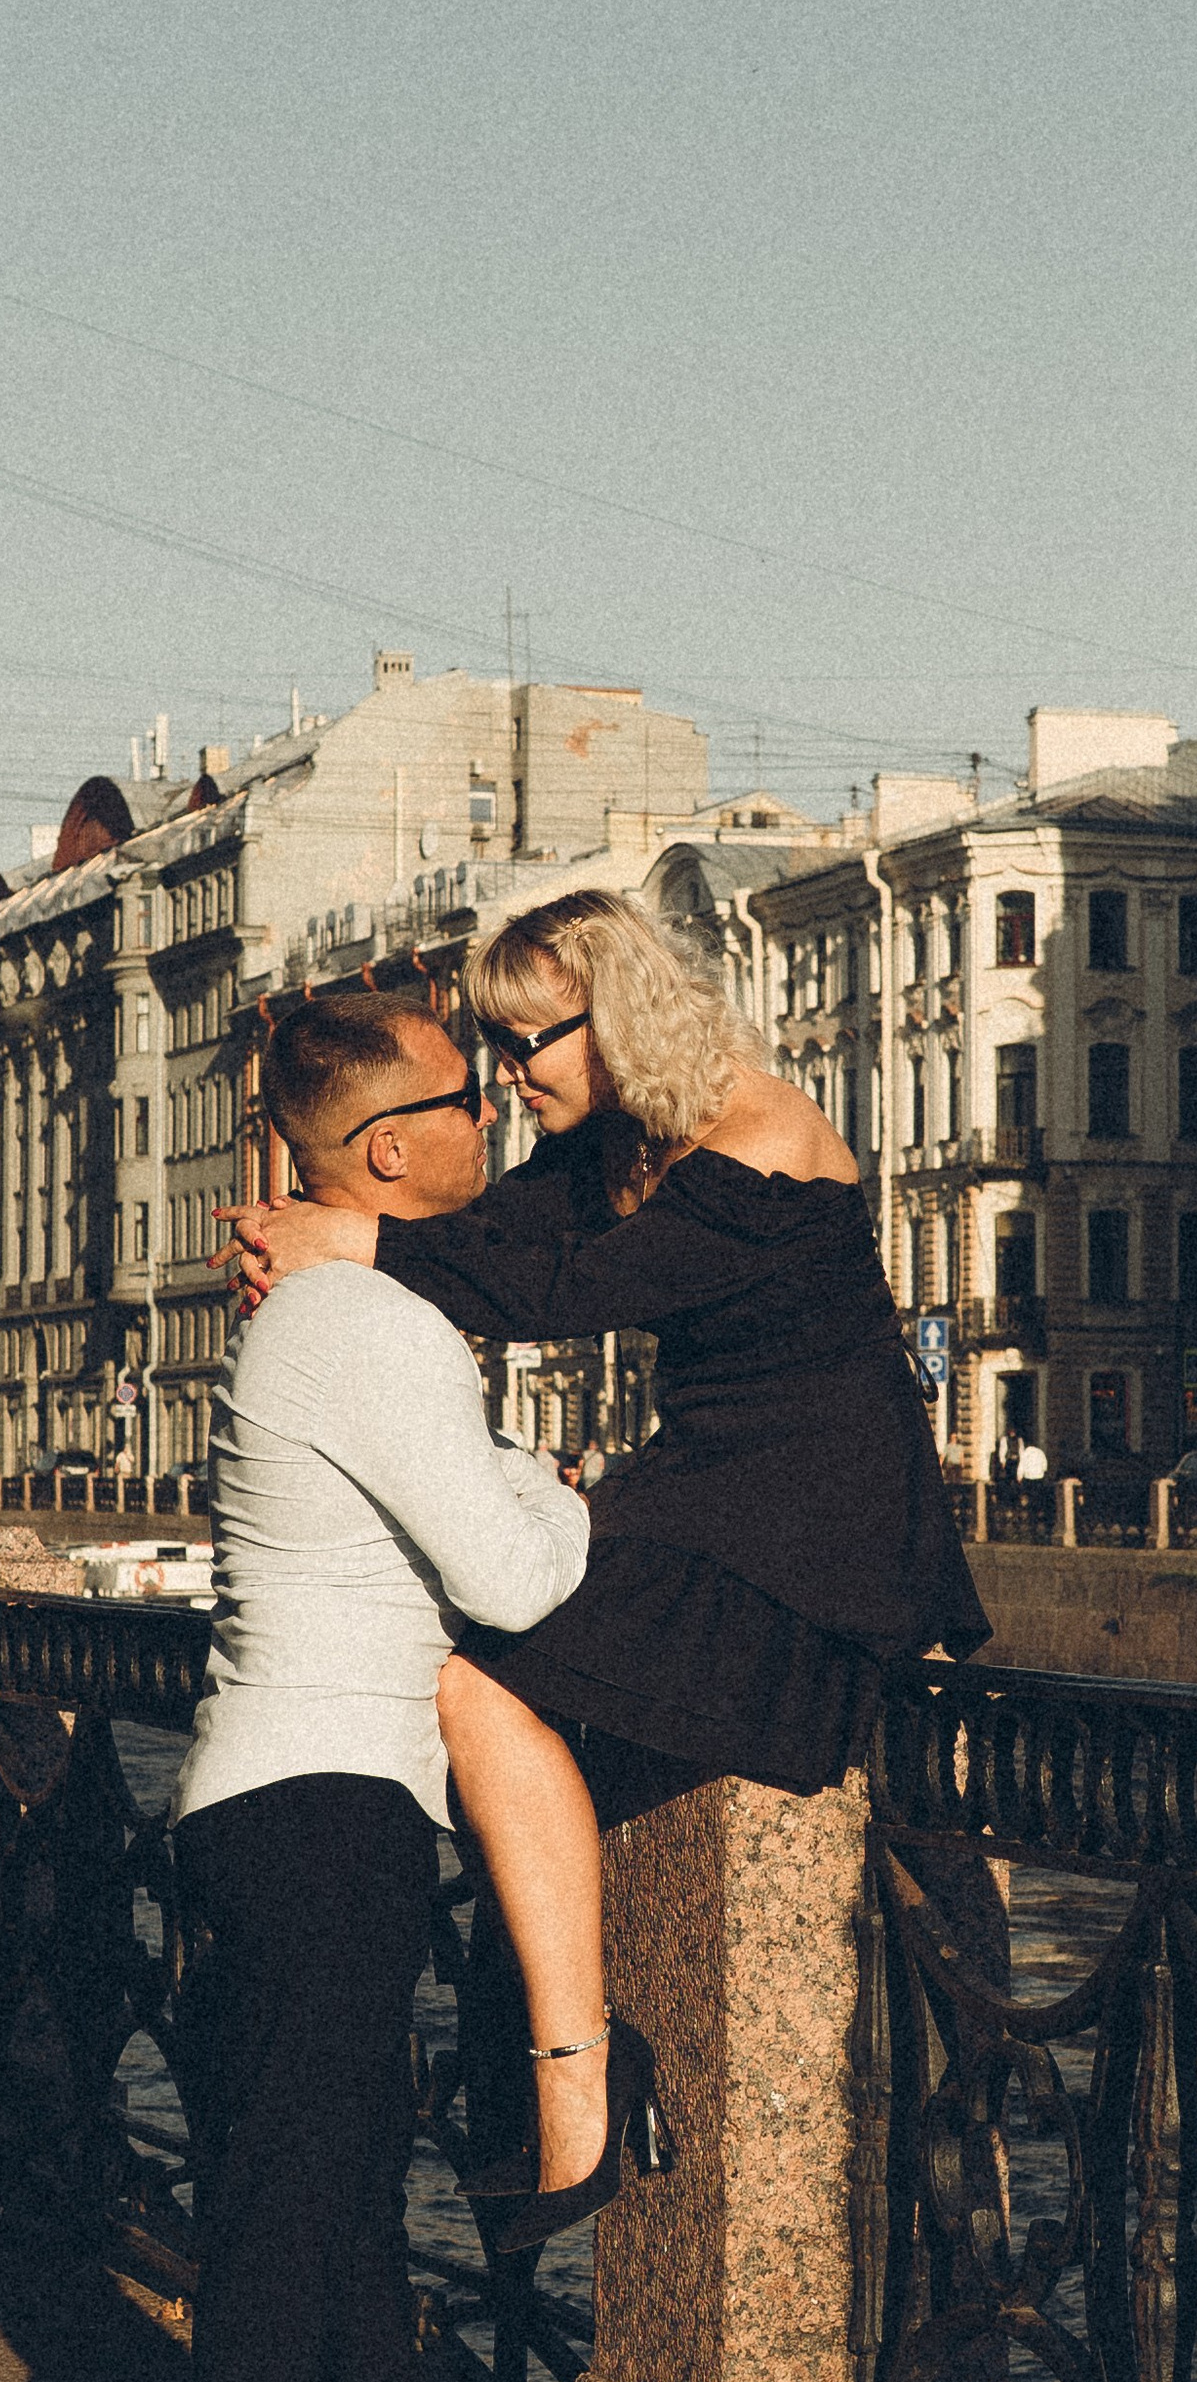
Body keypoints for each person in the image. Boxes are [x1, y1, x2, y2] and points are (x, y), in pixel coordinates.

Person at [227, 887, 989, 2234]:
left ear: (616, 1013)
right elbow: (488, 1243)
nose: (512, 1081)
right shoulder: (609, 1140)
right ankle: (550, 2056)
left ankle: (572, 2089)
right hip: (707, 1502)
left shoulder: (760, 1135)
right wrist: (329, 1249)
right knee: (484, 1679)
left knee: (478, 1686)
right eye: (499, 1054)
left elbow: (559, 1298)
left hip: (822, 1536)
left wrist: (352, 1243)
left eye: (529, 1045)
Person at [168, 989, 590, 2382]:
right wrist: (565, 1484)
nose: (498, 1113)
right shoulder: (362, 1326)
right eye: (470, 1093)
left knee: (335, 2183)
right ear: (395, 1146)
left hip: (276, 1799)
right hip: (329, 1803)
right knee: (292, 2194)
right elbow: (513, 1575)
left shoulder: (329, 1317)